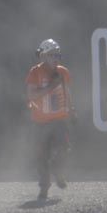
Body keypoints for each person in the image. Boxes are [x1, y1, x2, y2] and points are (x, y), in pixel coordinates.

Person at [25, 39, 76, 201]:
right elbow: (32, 95)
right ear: (43, 56)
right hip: (40, 122)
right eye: (52, 55)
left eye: (58, 55)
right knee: (41, 155)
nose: (56, 58)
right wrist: (50, 87)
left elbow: (67, 92)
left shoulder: (63, 72)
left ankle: (58, 170)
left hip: (59, 120)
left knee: (63, 148)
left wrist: (72, 110)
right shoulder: (35, 73)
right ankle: (44, 187)